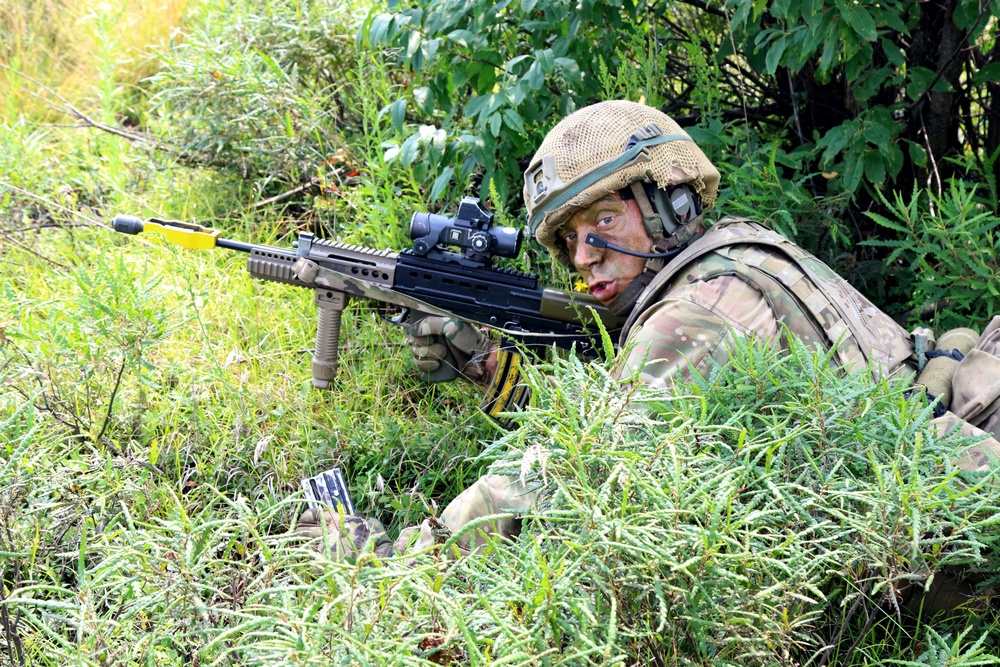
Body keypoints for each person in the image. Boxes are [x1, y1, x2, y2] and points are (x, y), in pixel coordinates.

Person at [296, 100, 1000, 571]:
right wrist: (488, 367)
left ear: (670, 200)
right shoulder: (739, 254)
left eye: (602, 220)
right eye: (568, 238)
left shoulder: (703, 312)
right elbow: (637, 411)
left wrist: (384, 560)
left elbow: (573, 477)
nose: (582, 256)